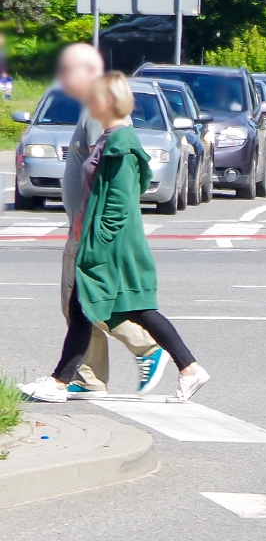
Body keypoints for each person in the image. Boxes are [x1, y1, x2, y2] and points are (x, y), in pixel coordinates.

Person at [19, 73, 210, 404]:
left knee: (97, 307)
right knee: (124, 308)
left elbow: (119, 204)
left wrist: (95, 242)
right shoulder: (114, 139)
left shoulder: (120, 143)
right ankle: (189, 368)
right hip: (102, 239)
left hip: (110, 244)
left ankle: (60, 382)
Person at [51, 44, 166, 399]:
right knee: (79, 305)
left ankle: (145, 350)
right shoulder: (93, 110)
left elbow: (105, 177)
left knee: (85, 301)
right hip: (83, 226)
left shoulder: (100, 116)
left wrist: (86, 228)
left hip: (87, 230)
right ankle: (89, 377)